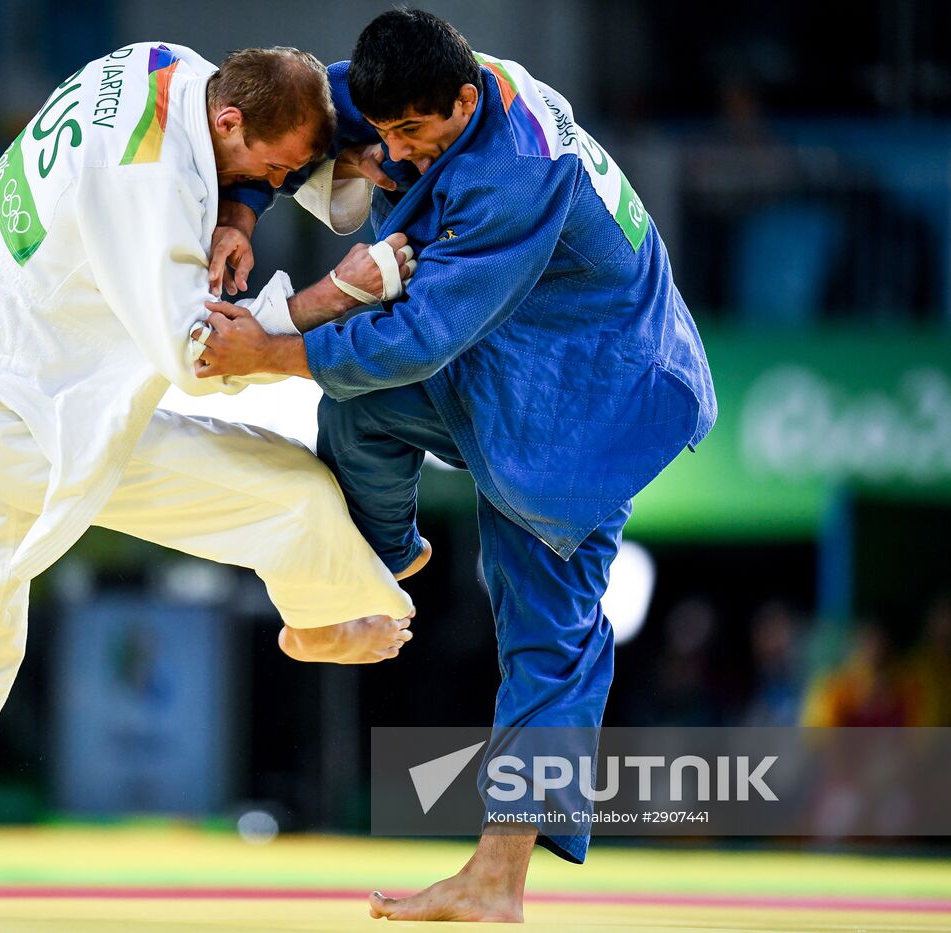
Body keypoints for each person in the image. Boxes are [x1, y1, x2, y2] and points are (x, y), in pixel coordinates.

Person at [0, 42, 421, 919]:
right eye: (271, 169)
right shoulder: (151, 182)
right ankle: (316, 619)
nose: (281, 180)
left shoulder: (160, 65)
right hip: (24, 420)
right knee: (290, 489)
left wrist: (241, 210)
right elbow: (203, 353)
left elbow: (296, 110)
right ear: (228, 122)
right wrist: (337, 292)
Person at [195, 11, 716, 922]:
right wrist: (241, 208)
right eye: (381, 133)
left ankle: (497, 878)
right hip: (508, 350)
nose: (392, 156)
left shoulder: (512, 173)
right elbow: (289, 116)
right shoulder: (403, 84)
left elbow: (419, 339)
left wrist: (268, 351)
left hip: (597, 388)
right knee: (353, 412)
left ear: (466, 100)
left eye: (412, 137)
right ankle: (378, 578)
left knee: (548, 631)